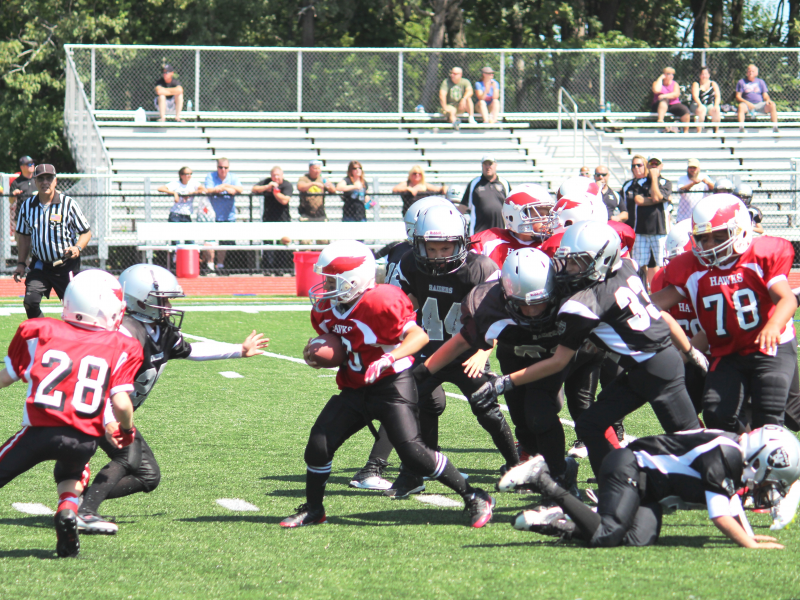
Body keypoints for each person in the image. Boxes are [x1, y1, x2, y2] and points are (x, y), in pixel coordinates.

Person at [283, 240, 494, 528]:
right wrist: (314, 354)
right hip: (356, 386)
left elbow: (417, 337)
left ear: (355, 280)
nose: (326, 285)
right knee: (319, 443)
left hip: (392, 384)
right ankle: (314, 508)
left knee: (413, 452)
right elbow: (339, 345)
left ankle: (474, 496)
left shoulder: (381, 301)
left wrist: (389, 358)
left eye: (333, 279)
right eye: (326, 278)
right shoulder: (326, 309)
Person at [478, 221, 701, 477]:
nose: (568, 268)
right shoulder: (626, 267)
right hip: (649, 366)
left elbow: (558, 362)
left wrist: (505, 382)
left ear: (603, 259)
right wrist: (690, 353)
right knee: (590, 424)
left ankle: (731, 484)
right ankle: (614, 484)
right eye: (568, 260)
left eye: (577, 262)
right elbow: (661, 317)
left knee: (691, 440)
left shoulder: (585, 303)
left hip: (655, 370)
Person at [77, 264, 269, 534]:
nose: (167, 306)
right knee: (126, 458)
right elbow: (102, 385)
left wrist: (238, 350)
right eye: (161, 300)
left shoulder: (160, 330)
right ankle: (83, 510)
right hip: (96, 409)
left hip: (117, 413)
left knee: (147, 475)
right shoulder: (125, 334)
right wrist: (110, 422)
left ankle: (77, 500)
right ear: (140, 301)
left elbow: (191, 350)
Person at [424, 248, 599, 494]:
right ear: (505, 296)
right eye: (522, 304)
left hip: (557, 353)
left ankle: (561, 475)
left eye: (539, 302)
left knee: (540, 411)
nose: (531, 312)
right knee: (519, 413)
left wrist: (504, 382)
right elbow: (461, 341)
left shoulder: (570, 292)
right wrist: (421, 373)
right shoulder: (487, 302)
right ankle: (531, 459)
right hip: (515, 351)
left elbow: (564, 355)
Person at [0, 269, 142, 557]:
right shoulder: (122, 345)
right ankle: (67, 510)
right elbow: (123, 403)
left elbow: (6, 377)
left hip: (39, 432)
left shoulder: (40, 331)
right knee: (72, 473)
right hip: (84, 438)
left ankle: (67, 510)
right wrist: (126, 430)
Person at [651, 194, 797, 446]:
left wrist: (773, 325)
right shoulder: (690, 266)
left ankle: (777, 476)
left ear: (741, 231)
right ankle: (744, 459)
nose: (710, 245)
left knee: (771, 417)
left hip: (770, 348)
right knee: (716, 412)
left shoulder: (761, 255)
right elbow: (654, 303)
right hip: (728, 353)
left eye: (719, 237)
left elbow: (787, 299)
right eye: (703, 238)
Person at [508, 426, 800, 549]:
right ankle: (543, 480)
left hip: (648, 487)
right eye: (771, 478)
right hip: (628, 466)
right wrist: (748, 544)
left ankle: (554, 521)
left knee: (638, 539)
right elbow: (720, 515)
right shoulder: (724, 455)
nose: (768, 487)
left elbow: (730, 501)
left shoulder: (734, 451)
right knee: (608, 534)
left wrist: (750, 535)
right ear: (762, 460)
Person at [349, 196, 452, 490]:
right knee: (410, 399)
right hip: (410, 335)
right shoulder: (414, 257)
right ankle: (376, 468)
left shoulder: (401, 251)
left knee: (428, 401)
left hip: (408, 333)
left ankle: (421, 465)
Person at [13, 164, 92, 320]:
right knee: (30, 302)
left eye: (49, 178)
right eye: (41, 178)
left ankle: (75, 341)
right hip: (40, 264)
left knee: (76, 310)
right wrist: (21, 263)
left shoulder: (68, 204)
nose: (45, 182)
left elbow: (86, 232)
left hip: (65, 265)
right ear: (35, 181)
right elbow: (24, 236)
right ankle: (44, 335)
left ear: (55, 181)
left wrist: (78, 247)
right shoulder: (27, 206)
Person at [470, 183, 556, 269]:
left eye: (547, 214)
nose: (545, 220)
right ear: (516, 216)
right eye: (539, 215)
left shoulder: (551, 246)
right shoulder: (488, 243)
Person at [626, 155, 673, 286]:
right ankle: (642, 290)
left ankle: (661, 288)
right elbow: (639, 200)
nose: (653, 166)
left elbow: (656, 197)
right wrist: (655, 199)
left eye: (656, 164)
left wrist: (654, 180)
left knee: (662, 263)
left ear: (661, 166)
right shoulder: (639, 182)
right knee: (640, 264)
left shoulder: (666, 183)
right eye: (651, 164)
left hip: (660, 230)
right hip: (641, 230)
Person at [204, 158, 243, 273]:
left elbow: (240, 189)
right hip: (212, 215)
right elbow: (209, 189)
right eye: (220, 167)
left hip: (228, 215)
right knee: (210, 240)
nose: (223, 170)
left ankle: (220, 265)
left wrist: (225, 186)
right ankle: (210, 265)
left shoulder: (233, 177)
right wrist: (221, 189)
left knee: (224, 241)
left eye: (225, 168)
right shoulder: (211, 176)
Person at [253, 166, 294, 275]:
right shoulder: (267, 182)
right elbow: (254, 189)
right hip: (268, 218)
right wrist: (267, 187)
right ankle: (267, 267)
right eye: (274, 175)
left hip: (282, 219)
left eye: (278, 175)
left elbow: (285, 200)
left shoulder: (287, 185)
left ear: (282, 175)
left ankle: (280, 268)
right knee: (268, 244)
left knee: (282, 244)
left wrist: (275, 192)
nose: (276, 178)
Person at [459, 156, 511, 236]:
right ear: (482, 166)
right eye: (485, 164)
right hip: (478, 233)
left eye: (490, 164)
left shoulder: (504, 183)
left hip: (501, 233)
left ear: (495, 165)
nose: (488, 167)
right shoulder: (474, 184)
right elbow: (463, 206)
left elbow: (511, 206)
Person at [736, 64, 779, 133]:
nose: (751, 73)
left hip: (759, 104)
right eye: (749, 71)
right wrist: (748, 103)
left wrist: (768, 100)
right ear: (747, 73)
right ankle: (741, 128)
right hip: (747, 105)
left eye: (753, 71)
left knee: (772, 105)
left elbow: (765, 95)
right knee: (741, 106)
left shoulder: (761, 82)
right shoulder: (741, 82)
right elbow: (738, 97)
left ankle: (775, 127)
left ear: (756, 73)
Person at [651, 67, 691, 133]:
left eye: (672, 74)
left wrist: (664, 95)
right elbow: (656, 90)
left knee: (684, 110)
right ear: (664, 74)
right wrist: (660, 78)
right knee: (664, 101)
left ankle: (686, 131)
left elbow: (676, 94)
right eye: (669, 74)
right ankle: (660, 120)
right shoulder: (657, 82)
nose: (671, 76)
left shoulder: (675, 84)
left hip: (673, 104)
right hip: (659, 105)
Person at [297, 160, 335, 224]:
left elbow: (333, 190)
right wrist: (313, 184)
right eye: (315, 169)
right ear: (310, 169)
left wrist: (329, 185)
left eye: (318, 169)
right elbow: (300, 187)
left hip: (320, 212)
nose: (317, 171)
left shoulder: (323, 179)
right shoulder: (304, 178)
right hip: (306, 211)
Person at [9, 156, 36, 236]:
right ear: (22, 167)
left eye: (32, 163)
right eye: (29, 164)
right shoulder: (16, 182)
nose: (32, 165)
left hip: (37, 217)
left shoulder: (37, 180)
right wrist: (14, 195)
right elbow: (11, 201)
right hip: (22, 218)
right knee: (22, 246)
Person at [691, 66, 721, 133]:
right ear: (699, 75)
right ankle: (699, 131)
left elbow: (717, 96)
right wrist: (700, 105)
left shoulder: (713, 84)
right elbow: (695, 96)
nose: (704, 76)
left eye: (706, 74)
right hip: (697, 104)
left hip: (709, 104)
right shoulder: (696, 84)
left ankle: (715, 131)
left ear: (709, 75)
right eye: (702, 74)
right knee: (702, 109)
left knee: (716, 110)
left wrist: (716, 105)